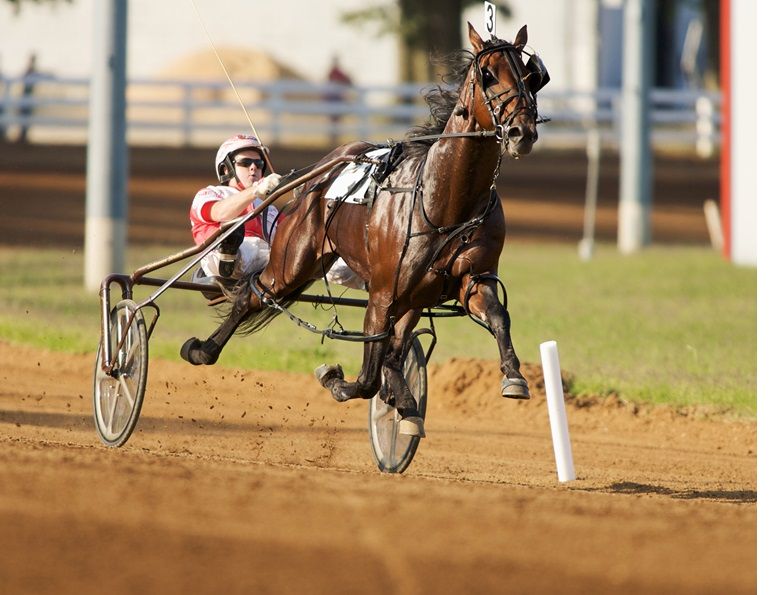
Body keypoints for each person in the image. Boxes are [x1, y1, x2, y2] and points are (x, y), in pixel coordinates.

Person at [190, 134, 364, 289]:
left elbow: (294, 236)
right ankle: (228, 252)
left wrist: (305, 197)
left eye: (258, 164)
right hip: (220, 257)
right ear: (226, 169)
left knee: (327, 259)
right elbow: (219, 213)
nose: (254, 167)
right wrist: (255, 191)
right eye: (245, 163)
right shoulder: (210, 194)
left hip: (268, 262)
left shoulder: (269, 208)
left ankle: (370, 277)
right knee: (246, 246)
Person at [17, 53, 37, 144]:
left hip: (28, 96)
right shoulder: (30, 70)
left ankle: (23, 135)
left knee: (26, 115)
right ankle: (22, 135)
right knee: (24, 114)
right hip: (26, 96)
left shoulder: (31, 70)